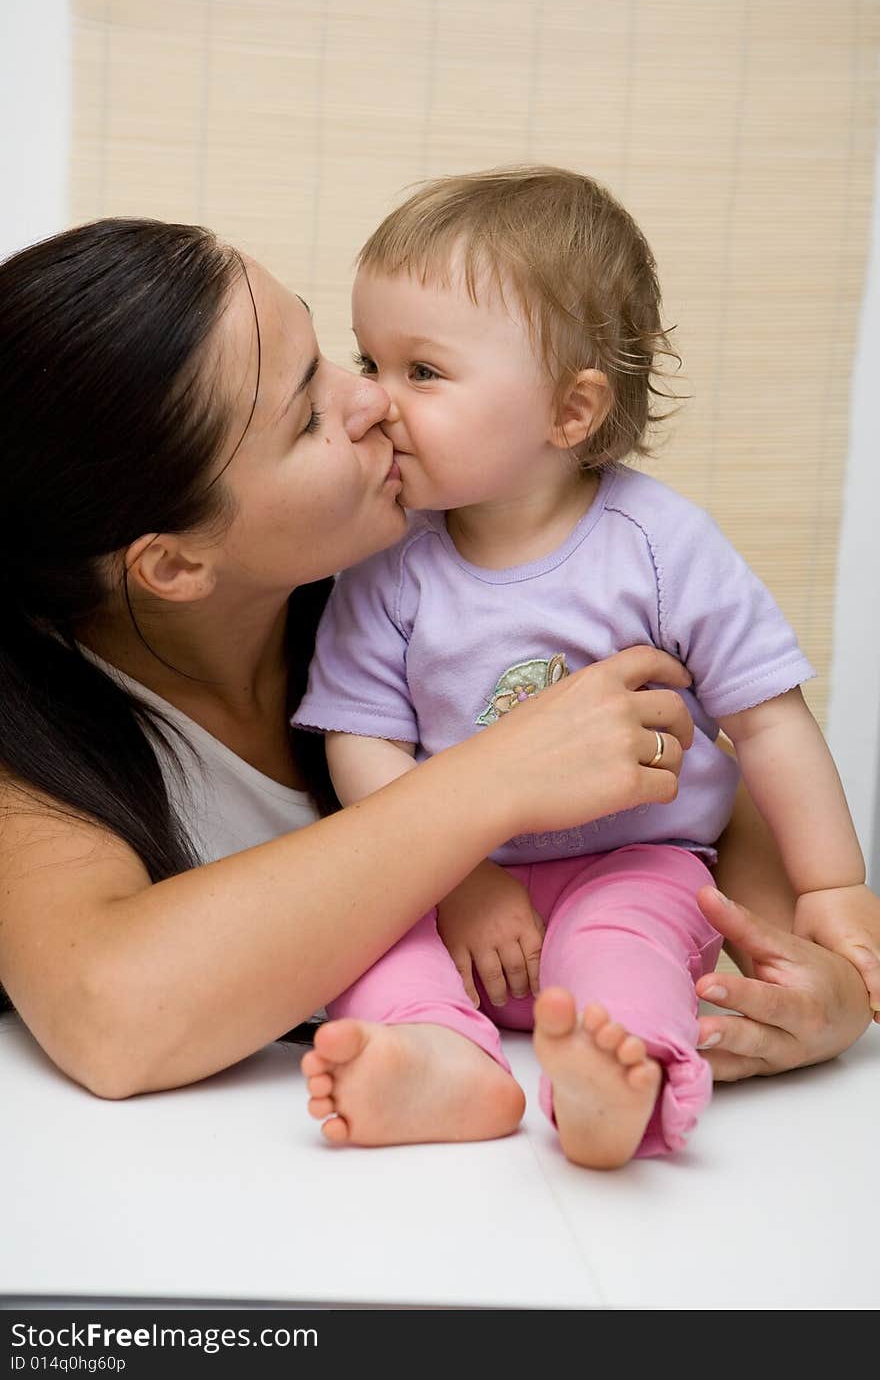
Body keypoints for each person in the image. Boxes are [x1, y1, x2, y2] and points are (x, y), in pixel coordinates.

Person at [0, 220, 870, 1122]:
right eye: (308, 417)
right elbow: (110, 1015)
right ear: (174, 565)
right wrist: (492, 783)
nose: (375, 401)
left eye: (334, 356)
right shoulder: (32, 740)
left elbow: (707, 770)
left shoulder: (424, 572)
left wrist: (817, 990)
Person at [293, 167, 880, 1168]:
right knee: (364, 936)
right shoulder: (389, 558)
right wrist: (460, 873)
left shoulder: (658, 544)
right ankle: (440, 1061)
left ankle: (617, 1078)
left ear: (570, 412)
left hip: (633, 863)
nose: (374, 400)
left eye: (421, 372)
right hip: (452, 882)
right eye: (368, 359)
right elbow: (361, 734)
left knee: (629, 941)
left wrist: (830, 884)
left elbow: (768, 718)